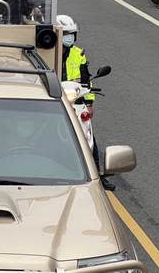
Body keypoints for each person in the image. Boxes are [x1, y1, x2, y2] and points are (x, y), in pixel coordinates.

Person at [56, 14, 115, 191]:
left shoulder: (78, 53)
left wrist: (89, 102)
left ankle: (98, 175)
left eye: (72, 34)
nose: (70, 38)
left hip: (76, 99)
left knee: (88, 137)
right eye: (66, 33)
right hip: (54, 99)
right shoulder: (47, 50)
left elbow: (87, 80)